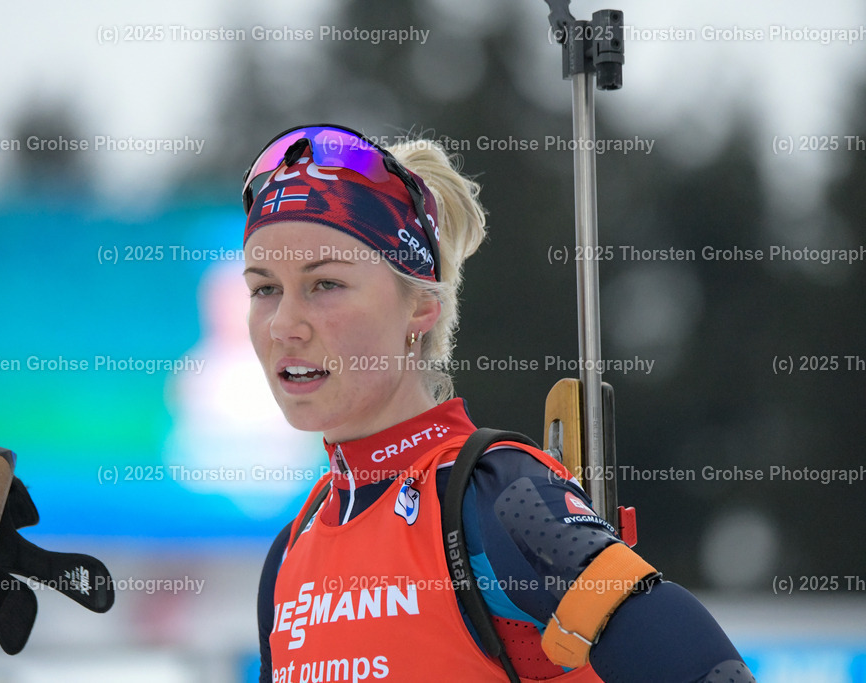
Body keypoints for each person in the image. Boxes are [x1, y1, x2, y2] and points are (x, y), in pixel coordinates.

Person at [242, 124, 755, 682]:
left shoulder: (496, 496)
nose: (284, 325)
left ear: (420, 305)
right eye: (264, 288)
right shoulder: (291, 553)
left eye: (325, 285)